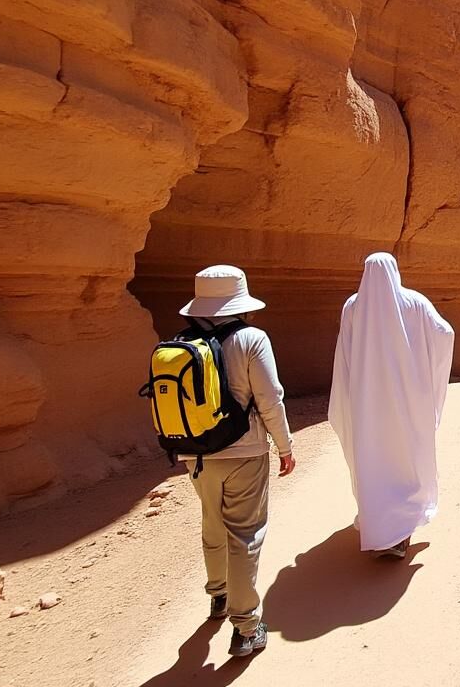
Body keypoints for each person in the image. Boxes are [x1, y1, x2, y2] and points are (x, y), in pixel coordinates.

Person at [177, 265, 296, 657]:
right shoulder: (251, 338)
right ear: (240, 301)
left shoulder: (180, 341)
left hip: (195, 454)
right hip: (244, 451)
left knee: (212, 521)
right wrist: (284, 445)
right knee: (244, 534)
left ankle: (218, 596)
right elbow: (270, 397)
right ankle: (246, 627)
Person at [329, 252, 454, 558]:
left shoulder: (353, 306)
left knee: (374, 460)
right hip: (409, 402)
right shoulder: (415, 302)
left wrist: (349, 391)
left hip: (366, 404)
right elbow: (445, 333)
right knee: (406, 458)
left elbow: (343, 351)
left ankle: (382, 526)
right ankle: (399, 532)